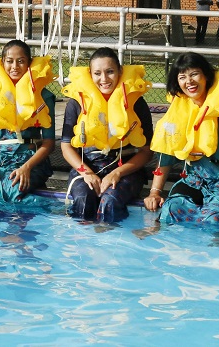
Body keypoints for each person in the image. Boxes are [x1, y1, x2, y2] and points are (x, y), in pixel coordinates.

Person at [145, 52, 219, 226]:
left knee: (215, 219)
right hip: (194, 180)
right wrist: (155, 192)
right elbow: (166, 155)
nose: (189, 82)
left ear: (206, 75)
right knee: (169, 212)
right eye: (182, 77)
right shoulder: (178, 111)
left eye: (194, 74)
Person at [59, 48, 153, 223]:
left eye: (110, 72)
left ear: (120, 71)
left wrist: (117, 173)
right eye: (97, 73)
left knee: (109, 201)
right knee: (83, 200)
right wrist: (86, 172)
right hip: (86, 166)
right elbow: (66, 146)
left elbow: (147, 151)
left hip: (125, 169)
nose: (104, 79)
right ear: (90, 74)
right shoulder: (76, 103)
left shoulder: (136, 102)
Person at [0, 40, 55, 207]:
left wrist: (27, 167)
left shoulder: (44, 96)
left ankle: (52, 210)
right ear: (2, 62)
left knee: (13, 190)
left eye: (21, 61)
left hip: (29, 158)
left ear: (29, 63)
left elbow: (49, 142)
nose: (15, 66)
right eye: (9, 61)